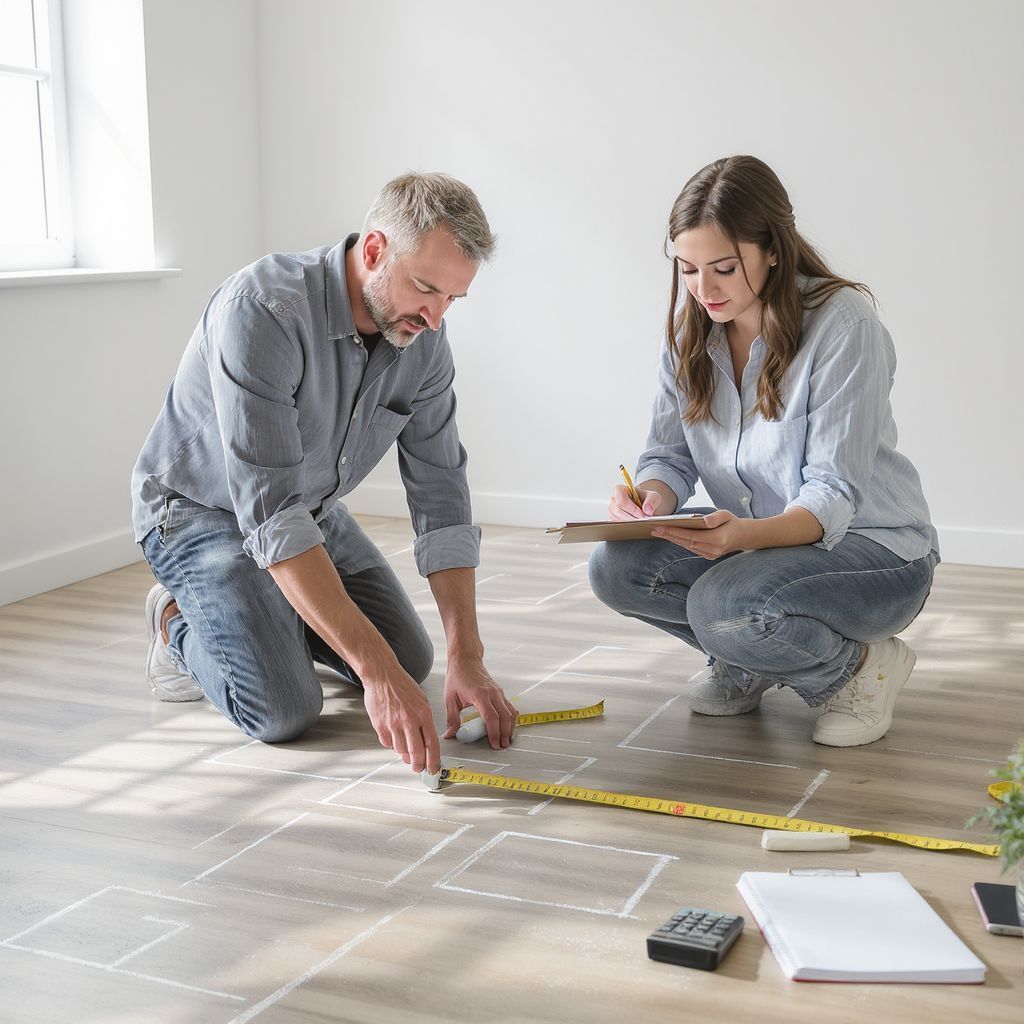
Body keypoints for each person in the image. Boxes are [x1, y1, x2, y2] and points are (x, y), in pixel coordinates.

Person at [132, 172, 517, 774]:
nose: (436, 318)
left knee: (410, 659)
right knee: (284, 709)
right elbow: (271, 512)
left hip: (308, 507)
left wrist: (467, 655)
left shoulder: (424, 339)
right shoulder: (262, 311)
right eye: (425, 289)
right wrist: (372, 674)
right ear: (373, 251)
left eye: (452, 299)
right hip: (199, 514)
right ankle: (175, 620)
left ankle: (271, 611)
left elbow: (441, 495)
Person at [588, 155, 939, 747]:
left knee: (725, 601)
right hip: (758, 547)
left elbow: (833, 496)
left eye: (723, 268)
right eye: (689, 269)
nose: (704, 290)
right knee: (615, 569)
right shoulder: (691, 332)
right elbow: (669, 456)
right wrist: (647, 498)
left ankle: (857, 671)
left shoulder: (842, 325)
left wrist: (740, 539)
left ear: (772, 249)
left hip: (875, 552)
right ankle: (749, 659)